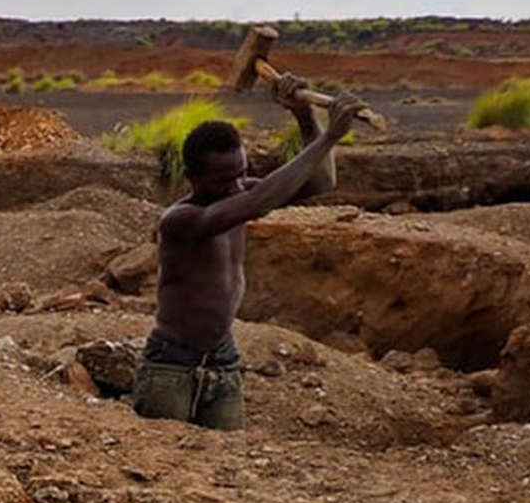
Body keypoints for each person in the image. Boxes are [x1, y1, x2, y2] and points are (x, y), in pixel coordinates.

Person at [133, 76, 364, 430]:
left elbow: (322, 181)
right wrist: (330, 136)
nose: (236, 186)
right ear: (193, 177)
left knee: (226, 470)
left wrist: (304, 115)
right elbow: (257, 203)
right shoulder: (181, 220)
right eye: (223, 180)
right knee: (169, 468)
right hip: (172, 366)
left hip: (223, 362)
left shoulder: (242, 195)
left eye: (241, 175)